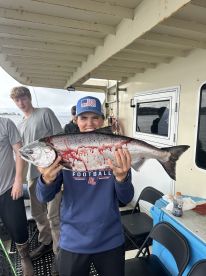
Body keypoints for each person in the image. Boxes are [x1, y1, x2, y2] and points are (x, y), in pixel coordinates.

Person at [36, 96, 134, 276]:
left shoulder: (116, 150)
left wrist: (122, 178)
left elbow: (125, 198)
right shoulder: (63, 151)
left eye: (95, 117)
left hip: (110, 239)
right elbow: (44, 197)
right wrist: (46, 180)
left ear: (103, 120)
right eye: (84, 118)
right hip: (73, 240)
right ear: (76, 120)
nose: (90, 123)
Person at [10, 86, 63, 275]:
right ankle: (46, 242)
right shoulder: (20, 125)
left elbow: (60, 138)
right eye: (17, 100)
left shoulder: (45, 113)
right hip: (31, 176)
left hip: (52, 174)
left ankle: (59, 253)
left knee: (53, 216)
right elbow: (21, 154)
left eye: (23, 98)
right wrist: (18, 179)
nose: (21, 103)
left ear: (29, 97)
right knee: (37, 213)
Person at [0, 117, 34, 276]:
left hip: (8, 188)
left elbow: (20, 152)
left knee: (18, 226)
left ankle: (24, 256)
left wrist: (19, 180)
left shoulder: (5, 123)